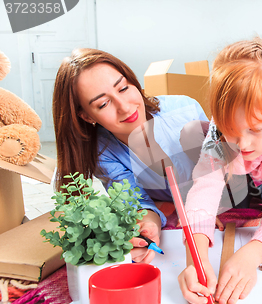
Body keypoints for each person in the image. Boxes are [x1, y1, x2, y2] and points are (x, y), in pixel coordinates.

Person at [178, 37, 262, 304]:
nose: (243, 143)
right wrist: (196, 258)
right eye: (232, 131)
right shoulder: (220, 129)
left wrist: (253, 253)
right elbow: (204, 187)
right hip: (246, 190)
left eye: (255, 129)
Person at [52, 48, 208, 264]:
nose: (125, 108)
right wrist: (149, 226)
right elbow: (138, 201)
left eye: (123, 88)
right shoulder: (103, 152)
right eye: (103, 104)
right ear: (87, 116)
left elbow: (223, 172)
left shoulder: (184, 108)